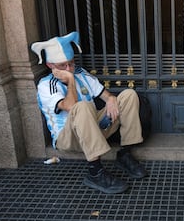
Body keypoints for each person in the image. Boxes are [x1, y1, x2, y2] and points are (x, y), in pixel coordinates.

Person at [31, 31, 148, 194]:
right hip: (68, 138)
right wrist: (70, 80)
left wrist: (111, 99)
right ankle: (95, 172)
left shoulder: (80, 73)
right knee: (82, 106)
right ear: (50, 65)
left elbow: (105, 95)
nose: (69, 69)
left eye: (71, 63)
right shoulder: (46, 85)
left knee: (128, 95)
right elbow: (71, 106)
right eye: (63, 66)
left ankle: (125, 154)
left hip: (94, 128)